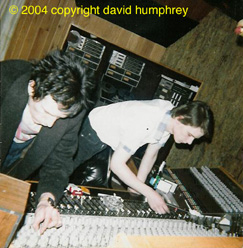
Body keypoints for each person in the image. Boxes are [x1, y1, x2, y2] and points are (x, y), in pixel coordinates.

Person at [1, 50, 96, 234]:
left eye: (58, 117)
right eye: (46, 112)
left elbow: (58, 164)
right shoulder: (4, 79)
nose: (50, 123)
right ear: (32, 87)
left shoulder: (71, 110)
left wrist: (46, 200)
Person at [74, 99, 213, 214]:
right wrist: (149, 193)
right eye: (190, 135)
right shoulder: (146, 119)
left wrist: (137, 184)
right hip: (90, 132)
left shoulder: (169, 118)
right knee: (64, 174)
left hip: (107, 141)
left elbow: (151, 154)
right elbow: (117, 164)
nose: (189, 142)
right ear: (180, 119)